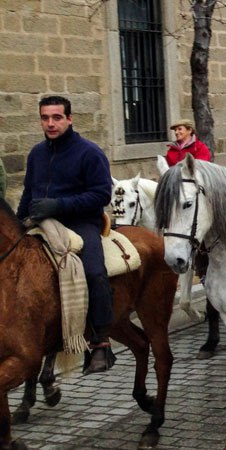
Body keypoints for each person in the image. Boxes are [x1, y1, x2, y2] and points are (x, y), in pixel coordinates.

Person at [17, 95, 115, 373]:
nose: (50, 123)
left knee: (94, 272)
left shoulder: (89, 152)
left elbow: (100, 195)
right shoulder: (36, 153)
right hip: (41, 222)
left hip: (81, 223)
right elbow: (28, 192)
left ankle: (100, 342)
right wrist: (17, 222)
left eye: (57, 117)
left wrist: (60, 204)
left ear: (69, 119)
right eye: (45, 118)